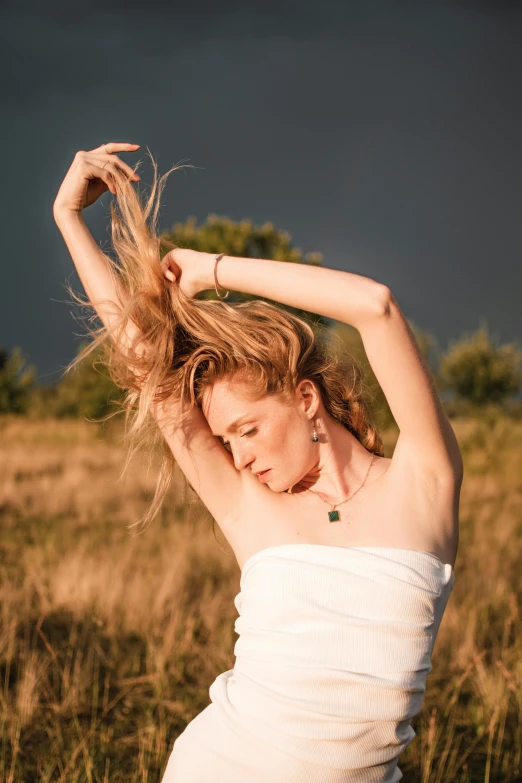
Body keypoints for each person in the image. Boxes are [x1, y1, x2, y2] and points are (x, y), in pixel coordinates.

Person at [54, 141, 463, 782]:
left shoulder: (423, 485)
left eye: (246, 429)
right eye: (227, 439)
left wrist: (211, 269)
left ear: (305, 399)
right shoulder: (251, 511)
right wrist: (68, 220)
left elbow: (376, 307)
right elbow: (142, 361)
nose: (238, 459)